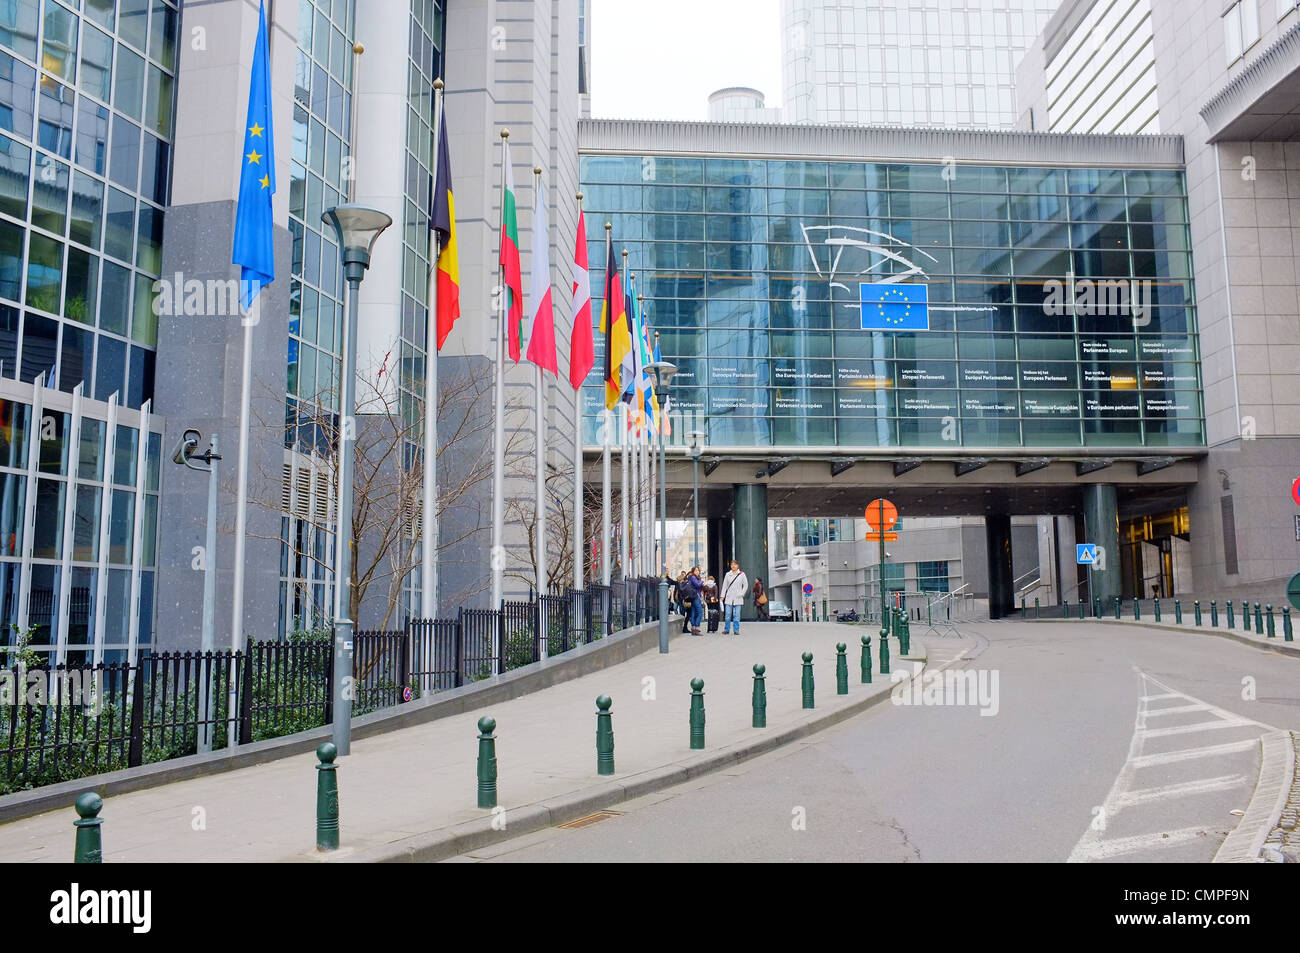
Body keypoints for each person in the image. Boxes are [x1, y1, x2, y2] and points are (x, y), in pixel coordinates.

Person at [720, 559, 748, 635]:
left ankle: (736, 630)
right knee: (728, 615)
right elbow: (724, 586)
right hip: (729, 597)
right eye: (732, 564)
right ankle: (726, 629)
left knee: (737, 615)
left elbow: (745, 585)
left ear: (737, 565)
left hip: (738, 597)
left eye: (735, 564)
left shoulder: (742, 574)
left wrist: (742, 593)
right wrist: (722, 596)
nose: (733, 566)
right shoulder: (727, 574)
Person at [687, 566, 705, 635]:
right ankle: (697, 627)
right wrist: (702, 582)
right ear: (693, 571)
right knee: (700, 612)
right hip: (695, 596)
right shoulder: (693, 577)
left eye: (698, 571)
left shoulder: (692, 577)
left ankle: (693, 628)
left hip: (693, 596)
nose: (698, 572)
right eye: (696, 570)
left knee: (693, 612)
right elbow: (697, 585)